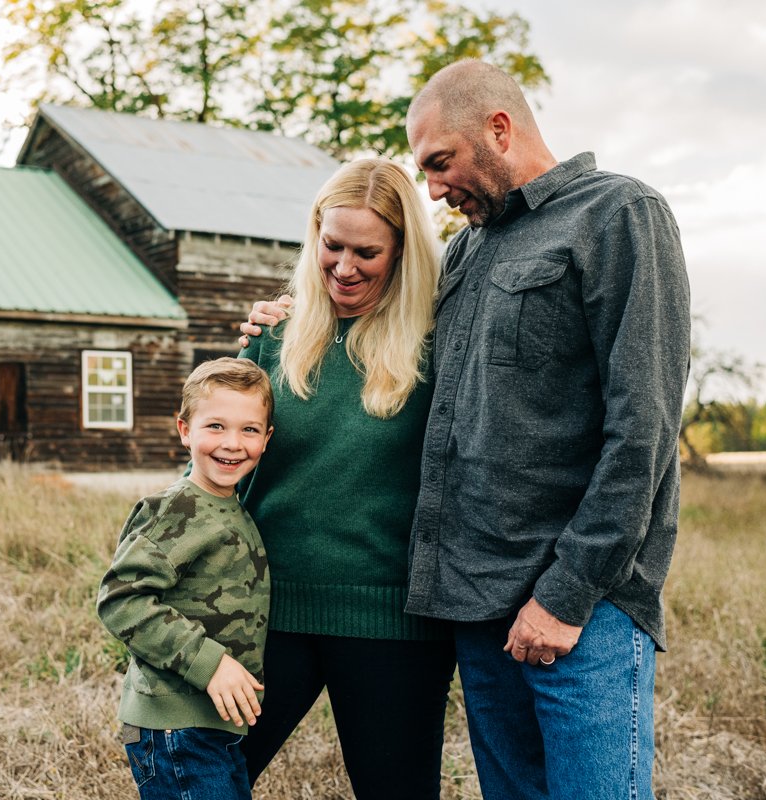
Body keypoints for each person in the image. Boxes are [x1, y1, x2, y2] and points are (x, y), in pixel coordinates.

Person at [243, 60, 692, 800]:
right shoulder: (470, 251)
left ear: (499, 128)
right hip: (478, 605)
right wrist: (286, 318)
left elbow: (642, 430)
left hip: (580, 612)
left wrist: (568, 593)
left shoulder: (617, 214)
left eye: (440, 163)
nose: (436, 187)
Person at [235, 157, 456, 799]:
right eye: (332, 245)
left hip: (393, 623)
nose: (344, 266)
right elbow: (226, 464)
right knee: (200, 779)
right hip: (268, 611)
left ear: (403, 252)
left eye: (367, 251)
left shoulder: (438, 346)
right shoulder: (275, 338)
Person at [97, 357, 275, 800]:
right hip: (175, 727)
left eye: (249, 430)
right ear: (184, 430)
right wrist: (208, 663)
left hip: (213, 725)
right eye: (215, 426)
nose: (232, 443)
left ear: (266, 439)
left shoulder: (233, 507)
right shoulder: (174, 508)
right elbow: (121, 599)